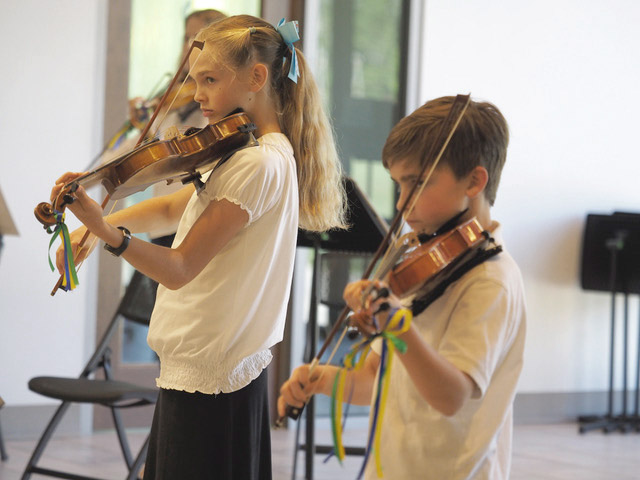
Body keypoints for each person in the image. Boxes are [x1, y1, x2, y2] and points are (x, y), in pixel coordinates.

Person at [52, 14, 346, 479]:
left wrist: (107, 235)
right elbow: (172, 210)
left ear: (256, 77)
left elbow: (180, 266)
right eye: (195, 81)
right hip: (204, 371)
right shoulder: (247, 154)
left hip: (213, 380)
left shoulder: (259, 164)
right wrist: (95, 223)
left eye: (209, 80)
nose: (198, 94)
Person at [278, 97, 526, 479]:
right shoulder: (423, 265)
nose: (402, 203)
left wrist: (397, 324)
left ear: (475, 181)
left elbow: (452, 396)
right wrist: (320, 379)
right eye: (399, 184)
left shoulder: (490, 281)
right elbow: (373, 382)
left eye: (418, 183)